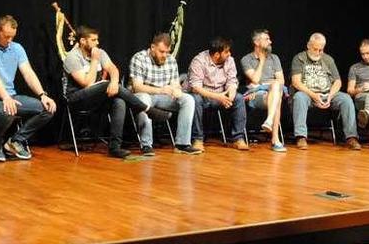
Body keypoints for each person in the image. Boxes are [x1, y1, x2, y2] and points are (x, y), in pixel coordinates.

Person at [62, 25, 171, 158]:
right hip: (77, 99)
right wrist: (95, 61)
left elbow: (113, 69)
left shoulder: (99, 52)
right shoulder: (73, 57)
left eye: (97, 39)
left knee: (119, 100)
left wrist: (114, 83)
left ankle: (114, 147)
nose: (97, 43)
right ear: (83, 41)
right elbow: (87, 83)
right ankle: (147, 110)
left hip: (97, 97)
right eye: (94, 40)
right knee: (108, 85)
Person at [0, 15, 55, 162]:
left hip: (10, 96)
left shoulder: (17, 48)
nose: (9, 40)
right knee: (8, 109)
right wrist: (5, 98)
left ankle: (15, 142)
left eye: (12, 37)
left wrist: (42, 94)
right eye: (6, 36)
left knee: (47, 108)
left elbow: (28, 73)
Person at [129, 33, 201, 155]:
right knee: (143, 99)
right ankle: (146, 145)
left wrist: (177, 90)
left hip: (164, 97)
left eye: (167, 52)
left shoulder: (171, 60)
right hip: (144, 94)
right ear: (152, 47)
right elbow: (137, 87)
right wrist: (161, 90)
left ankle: (182, 144)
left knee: (188, 99)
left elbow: (175, 84)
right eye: (161, 52)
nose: (165, 55)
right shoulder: (139, 58)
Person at [290, 32, 361, 150]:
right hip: (308, 94)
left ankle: (351, 137)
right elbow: (296, 82)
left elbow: (338, 81)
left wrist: (330, 96)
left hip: (328, 93)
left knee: (346, 99)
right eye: (315, 49)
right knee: (299, 97)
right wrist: (313, 95)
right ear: (308, 45)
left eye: (321, 50)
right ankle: (301, 136)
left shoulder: (328, 59)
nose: (318, 53)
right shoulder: (299, 58)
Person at [187, 36, 249, 151]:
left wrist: (230, 95)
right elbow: (196, 88)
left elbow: (232, 81)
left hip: (222, 94)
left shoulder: (229, 60)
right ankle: (197, 139)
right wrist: (219, 97)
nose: (229, 54)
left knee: (239, 98)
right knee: (195, 99)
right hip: (203, 96)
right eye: (226, 52)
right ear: (216, 55)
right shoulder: (199, 61)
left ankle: (238, 139)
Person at [240, 29, 286, 152]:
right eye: (266, 39)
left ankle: (269, 120)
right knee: (277, 97)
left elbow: (281, 80)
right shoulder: (246, 59)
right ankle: (275, 140)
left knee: (277, 88)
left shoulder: (275, 58)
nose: (270, 41)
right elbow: (255, 79)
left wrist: (268, 86)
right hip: (257, 96)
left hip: (271, 92)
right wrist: (262, 61)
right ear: (256, 42)